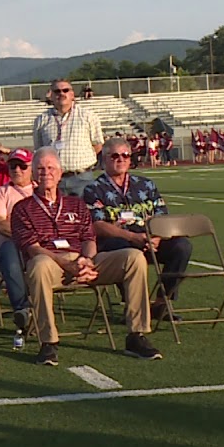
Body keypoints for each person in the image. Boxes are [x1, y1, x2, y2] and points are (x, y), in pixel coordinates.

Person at [11, 147, 160, 366]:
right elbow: (32, 248)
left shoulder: (76, 204)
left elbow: (89, 239)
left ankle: (136, 335)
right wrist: (66, 264)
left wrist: (87, 260)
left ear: (60, 173)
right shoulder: (22, 208)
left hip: (84, 261)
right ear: (33, 174)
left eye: (51, 168)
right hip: (53, 263)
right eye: (40, 169)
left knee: (133, 257)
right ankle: (48, 342)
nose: (46, 173)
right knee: (39, 264)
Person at [82, 137, 192, 321]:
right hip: (118, 242)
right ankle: (133, 304)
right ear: (104, 159)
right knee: (123, 248)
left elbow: (161, 215)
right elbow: (97, 225)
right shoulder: (93, 189)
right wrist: (133, 237)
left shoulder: (146, 185)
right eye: (115, 155)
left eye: (125, 155)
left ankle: (161, 302)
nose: (121, 159)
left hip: (150, 240)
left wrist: (156, 237)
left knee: (182, 246)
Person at [0, 148, 36, 332]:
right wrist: (29, 236)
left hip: (42, 245)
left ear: (31, 168)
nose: (17, 170)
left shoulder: (42, 190)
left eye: (22, 166)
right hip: (13, 243)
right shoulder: (0, 193)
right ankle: (22, 310)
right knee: (10, 255)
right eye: (13, 166)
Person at [33, 78, 104, 196]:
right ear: (51, 95)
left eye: (65, 90)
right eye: (57, 91)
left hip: (82, 178)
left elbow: (97, 145)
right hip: (54, 180)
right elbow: (40, 151)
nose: (61, 94)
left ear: (72, 94)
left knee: (85, 212)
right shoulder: (41, 120)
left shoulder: (88, 116)